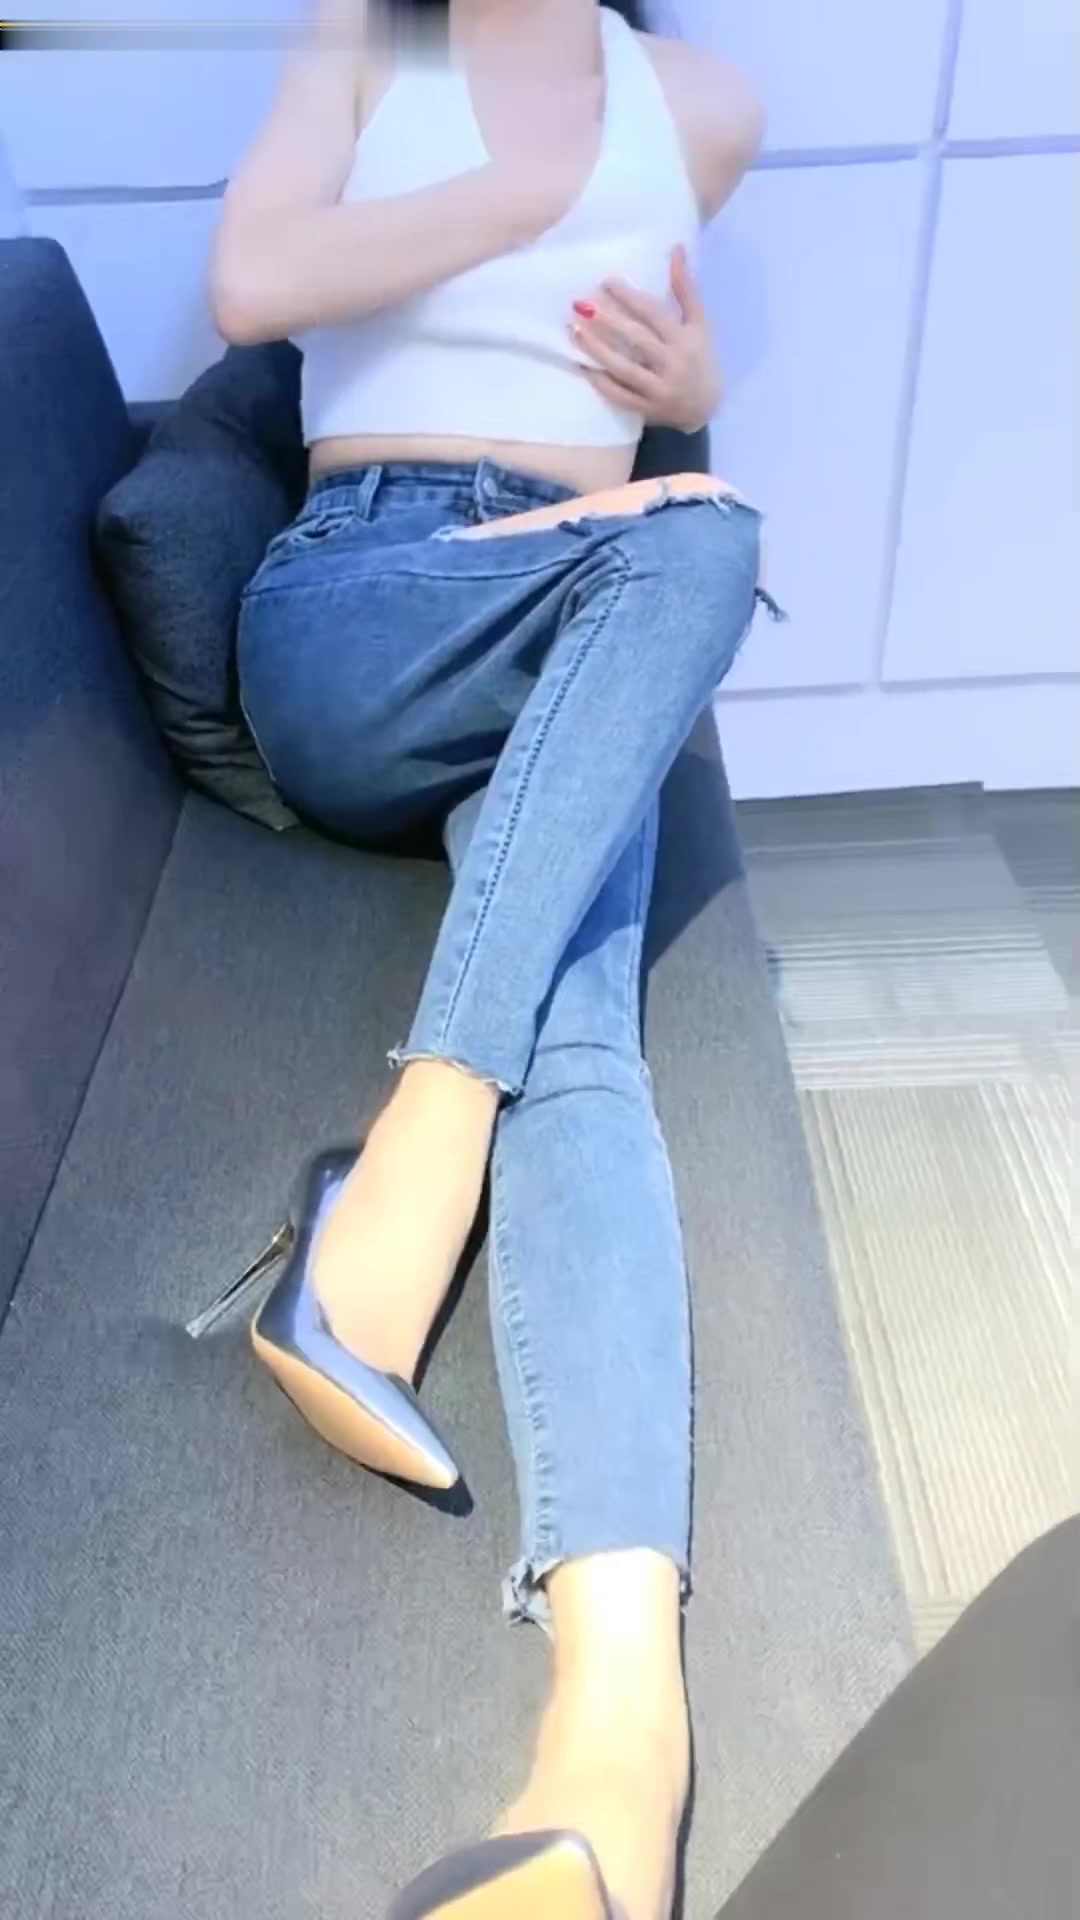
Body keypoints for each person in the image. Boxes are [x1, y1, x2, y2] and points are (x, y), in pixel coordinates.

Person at [201, 2, 767, 1913]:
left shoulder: (704, 102)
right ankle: (416, 1163)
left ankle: (614, 1765)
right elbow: (250, 281)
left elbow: (671, 373)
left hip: (587, 632)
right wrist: (516, 192)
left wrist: (695, 375)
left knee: (588, 1042)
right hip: (366, 594)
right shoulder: (369, 41)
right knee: (706, 544)